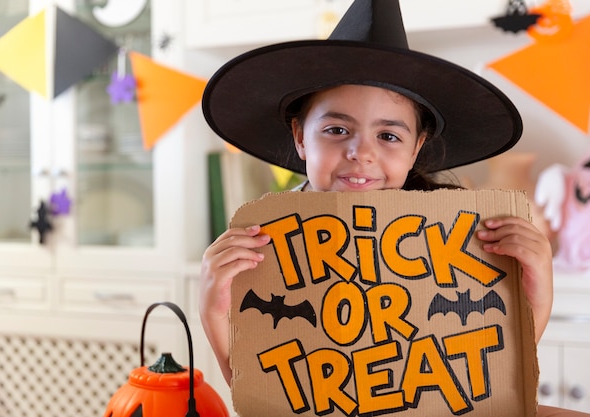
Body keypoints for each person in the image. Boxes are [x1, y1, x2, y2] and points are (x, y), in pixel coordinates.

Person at [199, 0, 578, 416]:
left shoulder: (457, 237)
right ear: (300, 136)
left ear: (416, 148)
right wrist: (213, 307)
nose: (361, 153)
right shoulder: (264, 243)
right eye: (336, 130)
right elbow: (260, 394)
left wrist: (537, 284)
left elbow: (493, 374)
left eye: (389, 136)